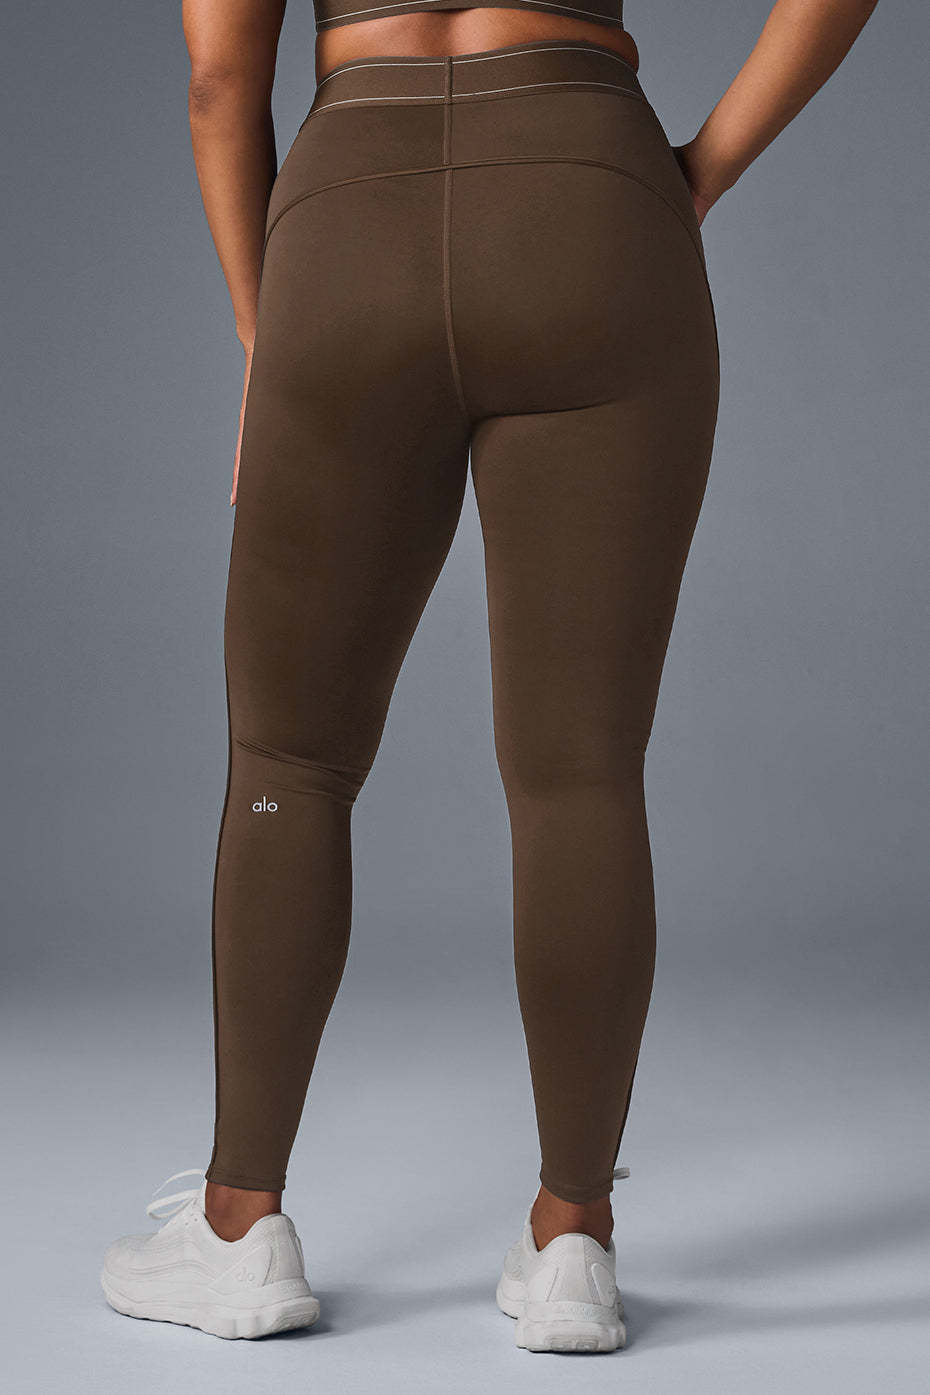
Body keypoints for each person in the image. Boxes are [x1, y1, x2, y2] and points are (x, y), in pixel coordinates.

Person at [101, 0, 880, 1353]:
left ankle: (237, 1233)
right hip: (593, 201)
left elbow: (221, 86)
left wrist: (270, 339)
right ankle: (574, 1238)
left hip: (351, 230)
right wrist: (696, 171)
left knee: (289, 759)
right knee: (581, 770)